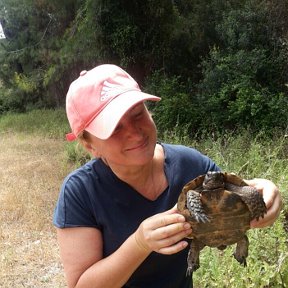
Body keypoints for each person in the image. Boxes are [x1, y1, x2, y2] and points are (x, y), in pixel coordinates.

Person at [53, 64, 282, 288]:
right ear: (88, 144)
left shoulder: (190, 164)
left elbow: (235, 193)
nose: (134, 132)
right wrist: (139, 243)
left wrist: (265, 191)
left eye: (137, 113)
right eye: (114, 128)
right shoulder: (80, 192)